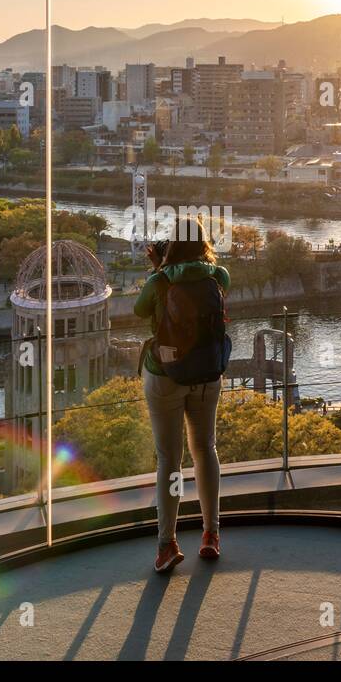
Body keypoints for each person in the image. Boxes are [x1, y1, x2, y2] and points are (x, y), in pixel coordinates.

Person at [134, 216, 231, 574]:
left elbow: (140, 309)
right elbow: (221, 281)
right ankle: (210, 534)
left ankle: (167, 544)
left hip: (165, 376)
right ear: (204, 242)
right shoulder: (216, 276)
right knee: (205, 449)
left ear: (172, 244)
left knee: (169, 460)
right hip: (207, 375)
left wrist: (160, 267)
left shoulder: (159, 280)